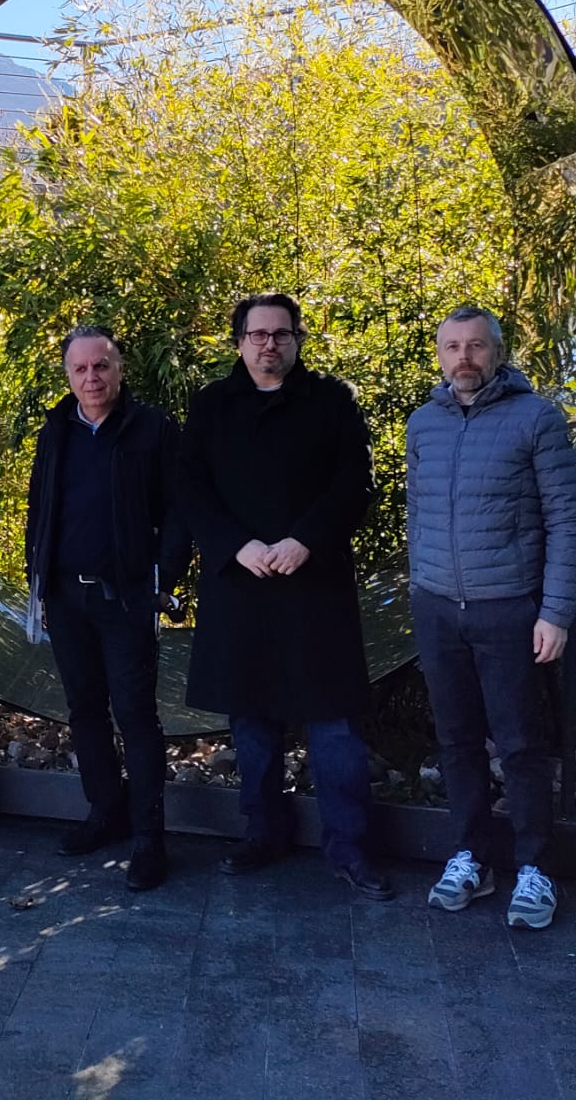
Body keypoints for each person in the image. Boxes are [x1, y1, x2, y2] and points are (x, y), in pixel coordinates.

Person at [180, 292, 393, 901]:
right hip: (241, 587)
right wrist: (235, 545)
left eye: (280, 333)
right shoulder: (212, 405)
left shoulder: (331, 400)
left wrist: (305, 540)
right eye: (257, 334)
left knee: (335, 729)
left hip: (315, 585)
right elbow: (190, 486)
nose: (268, 344)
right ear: (239, 342)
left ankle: (351, 849)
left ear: (298, 339)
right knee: (251, 725)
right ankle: (262, 833)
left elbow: (355, 481)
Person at [406, 305, 576, 931]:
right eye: (452, 347)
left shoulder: (535, 418)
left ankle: (534, 868)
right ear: (439, 354)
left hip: (508, 608)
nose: (464, 358)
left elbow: (566, 519)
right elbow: (418, 513)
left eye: (476, 346)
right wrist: (420, 587)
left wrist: (556, 611)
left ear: (497, 352)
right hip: (437, 610)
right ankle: (471, 857)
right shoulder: (422, 424)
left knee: (520, 745)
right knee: (456, 743)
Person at [23, 326, 189, 892]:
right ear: (68, 376)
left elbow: (179, 511)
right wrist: (38, 580)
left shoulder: (155, 429)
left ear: (120, 370)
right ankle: (104, 812)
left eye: (102, 367)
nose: (91, 378)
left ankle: (149, 837)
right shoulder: (57, 429)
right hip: (68, 597)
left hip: (126, 599)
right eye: (80, 370)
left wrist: (163, 582)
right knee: (84, 710)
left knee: (137, 717)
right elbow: (40, 506)